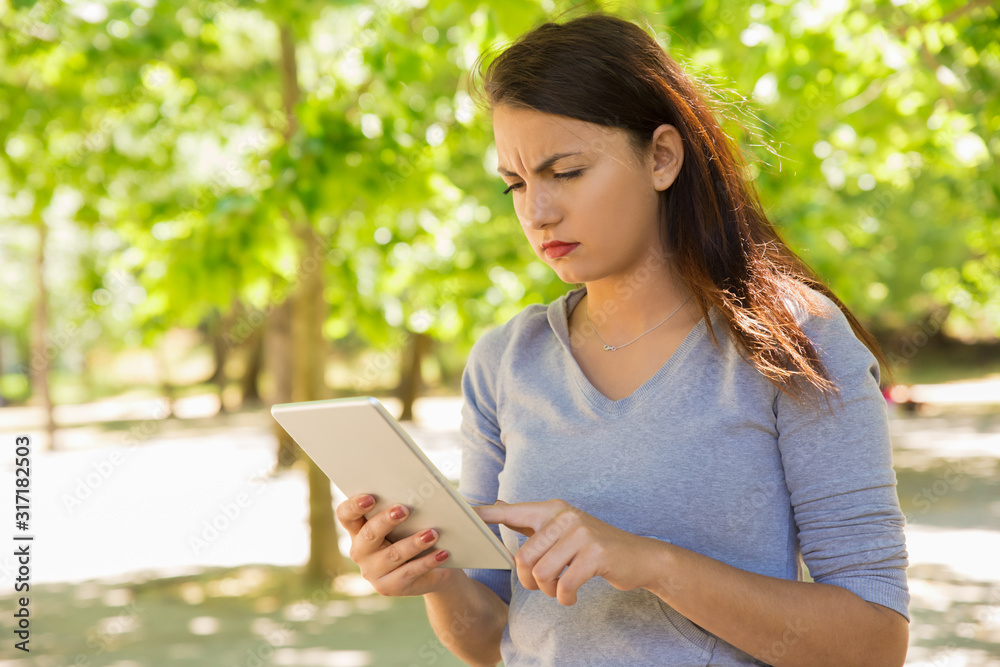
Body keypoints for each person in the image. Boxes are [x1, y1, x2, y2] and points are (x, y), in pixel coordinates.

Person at [335, 11, 910, 666]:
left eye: (567, 171)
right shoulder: (504, 361)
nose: (537, 211)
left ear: (662, 156)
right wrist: (436, 578)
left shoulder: (796, 341)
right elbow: (492, 636)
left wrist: (651, 562)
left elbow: (874, 641)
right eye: (516, 183)